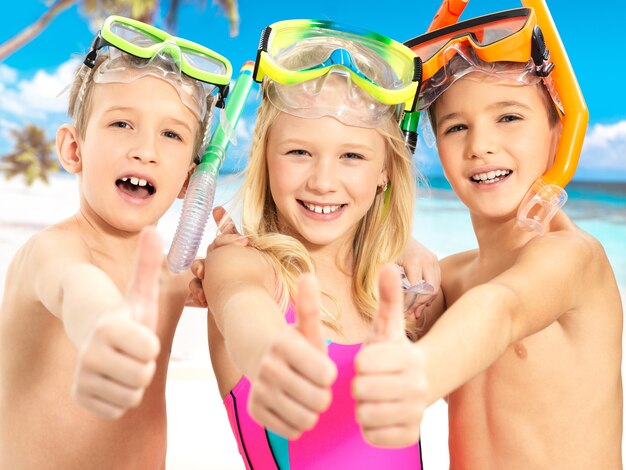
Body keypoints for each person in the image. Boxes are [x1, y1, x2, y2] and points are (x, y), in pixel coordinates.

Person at [352, 4, 623, 468]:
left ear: (559, 130)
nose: (480, 146)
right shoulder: (450, 278)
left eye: (509, 118)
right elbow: (358, 305)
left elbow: (502, 307)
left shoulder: (575, 257)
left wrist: (417, 375)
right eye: (457, 127)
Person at [0, 15, 233, 468]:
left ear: (191, 178)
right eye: (122, 124)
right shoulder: (54, 252)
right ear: (73, 150)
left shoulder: (174, 274)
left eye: (170, 134)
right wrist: (104, 328)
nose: (145, 149)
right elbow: (78, 287)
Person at [200, 19, 432, 469]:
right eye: (299, 152)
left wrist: (405, 245)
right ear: (265, 160)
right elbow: (242, 307)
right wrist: (273, 357)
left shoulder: (397, 289)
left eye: (352, 156)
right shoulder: (244, 264)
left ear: (385, 171)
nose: (323, 182)